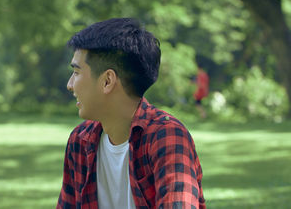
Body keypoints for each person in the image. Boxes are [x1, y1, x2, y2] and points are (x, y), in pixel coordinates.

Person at [57, 18, 205, 209]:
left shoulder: (166, 136)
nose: (70, 85)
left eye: (76, 72)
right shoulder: (80, 141)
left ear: (107, 81)